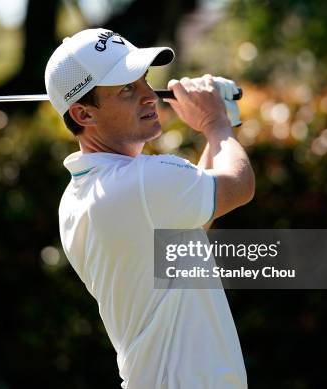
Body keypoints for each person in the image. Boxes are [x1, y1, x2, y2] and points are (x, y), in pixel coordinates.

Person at [44, 28, 255, 389]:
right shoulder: (138, 183)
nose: (147, 96)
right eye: (126, 88)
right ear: (83, 113)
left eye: (143, 80)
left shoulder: (78, 196)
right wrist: (215, 122)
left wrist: (221, 123)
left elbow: (189, 221)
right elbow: (238, 185)